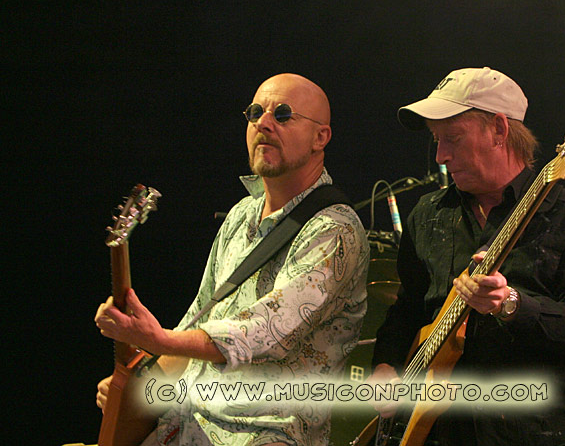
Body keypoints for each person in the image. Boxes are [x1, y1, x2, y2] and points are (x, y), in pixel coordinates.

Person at [95, 73, 369, 446]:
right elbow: (200, 321)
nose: (264, 123)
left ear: (320, 137)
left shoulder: (335, 230)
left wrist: (160, 339)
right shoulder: (241, 215)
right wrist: (136, 386)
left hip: (266, 434)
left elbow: (264, 332)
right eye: (255, 113)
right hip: (187, 423)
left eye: (282, 114)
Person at [369, 67, 565, 445]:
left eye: (453, 138)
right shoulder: (428, 214)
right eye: (437, 140)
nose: (441, 156)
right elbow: (407, 311)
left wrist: (511, 304)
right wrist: (385, 366)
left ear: (499, 129)